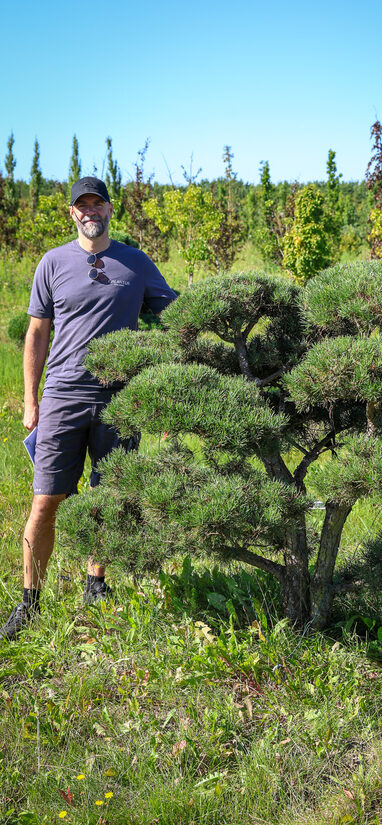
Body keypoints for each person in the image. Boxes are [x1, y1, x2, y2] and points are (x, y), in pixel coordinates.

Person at [0, 176, 177, 641]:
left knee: (109, 498)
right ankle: (29, 603)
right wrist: (31, 400)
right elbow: (37, 333)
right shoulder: (52, 262)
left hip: (122, 401)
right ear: (72, 213)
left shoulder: (135, 263)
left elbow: (175, 317)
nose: (90, 211)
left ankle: (95, 583)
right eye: (82, 205)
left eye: (97, 203)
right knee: (45, 502)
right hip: (62, 396)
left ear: (110, 209)